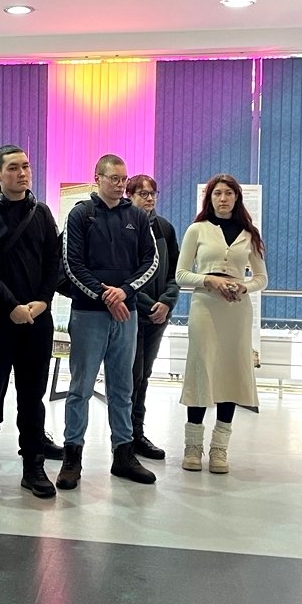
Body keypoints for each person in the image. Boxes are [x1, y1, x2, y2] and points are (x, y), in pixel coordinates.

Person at [59, 153, 159, 489]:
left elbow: (150, 262)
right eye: (113, 178)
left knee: (123, 388)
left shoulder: (138, 217)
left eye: (123, 179)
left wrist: (125, 291)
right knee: (80, 389)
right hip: (89, 314)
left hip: (126, 314)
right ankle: (72, 456)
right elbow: (72, 265)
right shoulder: (80, 214)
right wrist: (106, 296)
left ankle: (123, 454)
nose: (119, 185)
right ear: (97, 178)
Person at [0, 145, 60, 499]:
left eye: (26, 166)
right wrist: (12, 306)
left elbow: (53, 261)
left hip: (37, 318)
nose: (22, 173)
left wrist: (43, 301)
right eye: (13, 168)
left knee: (33, 396)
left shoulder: (42, 212)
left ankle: (33, 465)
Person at [175, 174, 266, 474]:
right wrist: (210, 280)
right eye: (217, 193)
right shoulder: (197, 229)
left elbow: (261, 278)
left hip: (236, 311)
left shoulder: (249, 234)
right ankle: (192, 446)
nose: (223, 198)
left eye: (228, 193)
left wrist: (244, 287)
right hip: (205, 307)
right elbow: (181, 274)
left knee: (231, 373)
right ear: (209, 198)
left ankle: (219, 449)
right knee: (201, 369)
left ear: (237, 197)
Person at [126, 174, 180, 460]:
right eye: (142, 194)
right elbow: (123, 276)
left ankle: (138, 433)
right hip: (133, 313)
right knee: (131, 377)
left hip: (159, 315)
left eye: (152, 194)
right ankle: (124, 438)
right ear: (130, 196)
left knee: (144, 375)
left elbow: (175, 271)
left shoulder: (165, 228)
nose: (149, 199)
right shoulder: (124, 227)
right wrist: (148, 305)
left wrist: (167, 302)